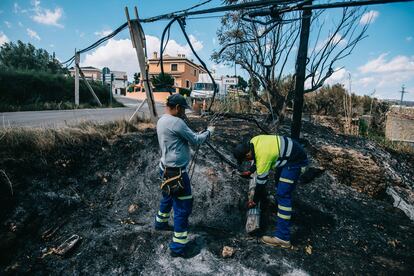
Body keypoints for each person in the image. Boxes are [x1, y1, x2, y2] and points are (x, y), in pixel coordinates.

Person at [155, 94, 214, 258]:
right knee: (183, 207)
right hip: (177, 173)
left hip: (165, 168)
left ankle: (160, 223)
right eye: (183, 110)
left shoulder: (162, 120)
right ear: (178, 108)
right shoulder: (177, 122)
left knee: (167, 196)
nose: (184, 113)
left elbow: (181, 136)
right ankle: (178, 248)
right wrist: (208, 132)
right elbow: (196, 140)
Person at [233, 134, 308, 248]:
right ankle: (279, 210)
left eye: (245, 159)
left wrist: (254, 201)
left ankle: (283, 238)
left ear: (248, 154)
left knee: (283, 195)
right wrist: (251, 170)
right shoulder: (253, 141)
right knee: (280, 185)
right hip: (288, 155)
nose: (247, 161)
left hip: (295, 162)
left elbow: (261, 184)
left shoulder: (263, 156)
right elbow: (258, 158)